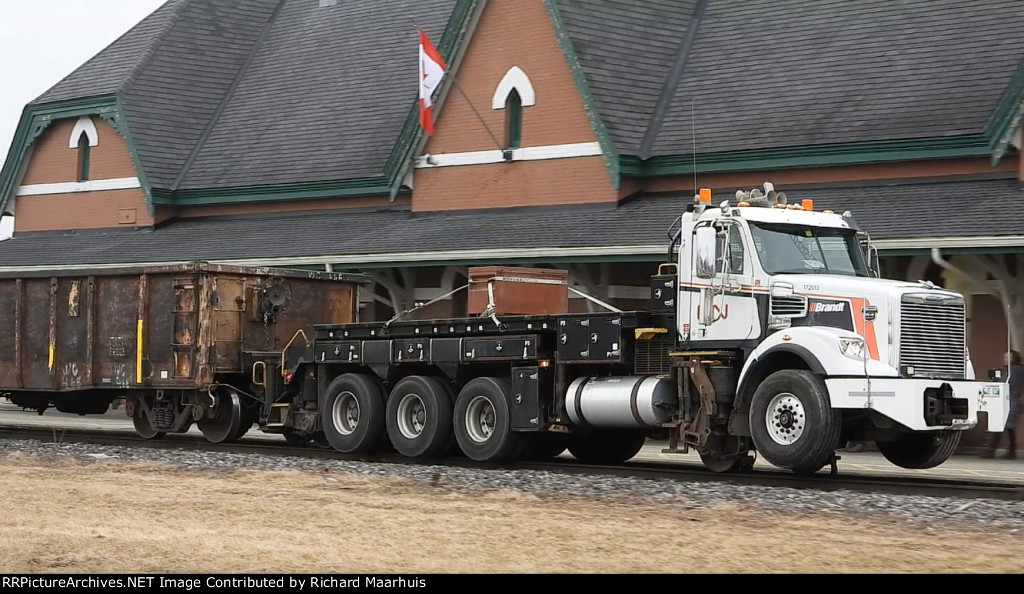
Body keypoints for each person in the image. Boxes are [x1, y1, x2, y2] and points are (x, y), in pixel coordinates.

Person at [982, 350, 1021, 459]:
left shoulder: (1014, 371)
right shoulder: (1013, 370)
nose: (1005, 359)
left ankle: (992, 450)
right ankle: (1009, 451)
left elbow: (1008, 384)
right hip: (1011, 401)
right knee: (1008, 428)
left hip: (1009, 401)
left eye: (1008, 357)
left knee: (1002, 426)